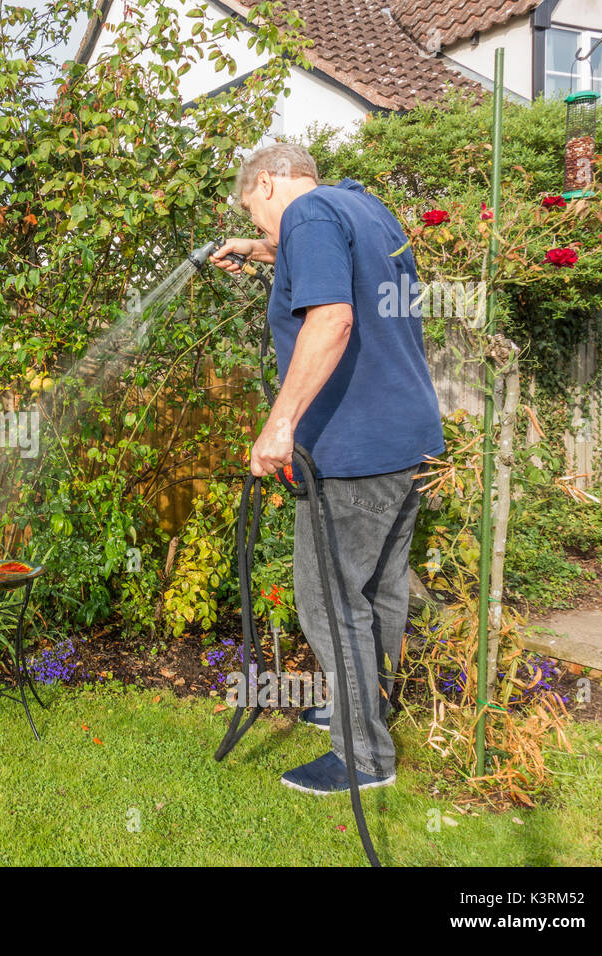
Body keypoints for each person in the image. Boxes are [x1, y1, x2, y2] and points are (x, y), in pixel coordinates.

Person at [210, 143, 445, 794]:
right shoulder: (364, 208)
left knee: (328, 601)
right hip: (409, 442)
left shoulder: (308, 216)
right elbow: (348, 278)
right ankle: (367, 710)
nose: (262, 229)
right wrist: (260, 250)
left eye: (256, 216)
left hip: (354, 450)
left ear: (267, 182)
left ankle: (363, 757)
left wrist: (279, 425)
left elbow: (333, 319)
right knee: (380, 591)